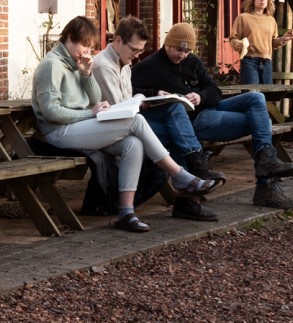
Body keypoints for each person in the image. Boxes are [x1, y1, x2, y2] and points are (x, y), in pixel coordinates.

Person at [32, 14, 215, 233]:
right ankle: (180, 176)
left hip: (78, 128)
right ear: (69, 38)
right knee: (135, 121)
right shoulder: (52, 65)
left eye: (90, 47)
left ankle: (126, 212)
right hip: (58, 132)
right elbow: (52, 112)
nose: (87, 51)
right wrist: (90, 114)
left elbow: (94, 99)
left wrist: (87, 74)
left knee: (132, 144)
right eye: (84, 45)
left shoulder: (75, 64)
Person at [131, 22, 293, 209]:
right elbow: (130, 90)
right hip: (191, 121)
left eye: (186, 51)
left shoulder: (192, 61)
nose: (182, 55)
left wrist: (200, 96)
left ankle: (267, 162)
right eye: (178, 50)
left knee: (257, 98)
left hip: (209, 107)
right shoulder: (148, 65)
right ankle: (265, 185)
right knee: (263, 122)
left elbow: (214, 90)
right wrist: (155, 92)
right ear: (167, 44)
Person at [91, 14, 225, 222]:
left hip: (128, 121)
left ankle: (190, 174)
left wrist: (147, 98)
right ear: (117, 41)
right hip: (111, 127)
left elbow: (127, 101)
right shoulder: (104, 66)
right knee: (175, 132)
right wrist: (143, 98)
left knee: (174, 113)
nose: (136, 56)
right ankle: (188, 183)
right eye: (134, 50)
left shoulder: (124, 63)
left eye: (140, 51)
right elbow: (118, 111)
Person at [229, 0, 293, 86]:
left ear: (268, 1)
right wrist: (239, 43)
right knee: (252, 94)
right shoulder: (243, 18)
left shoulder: (271, 20)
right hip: (249, 61)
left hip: (267, 62)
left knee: (267, 96)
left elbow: (272, 43)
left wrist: (284, 39)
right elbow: (233, 39)